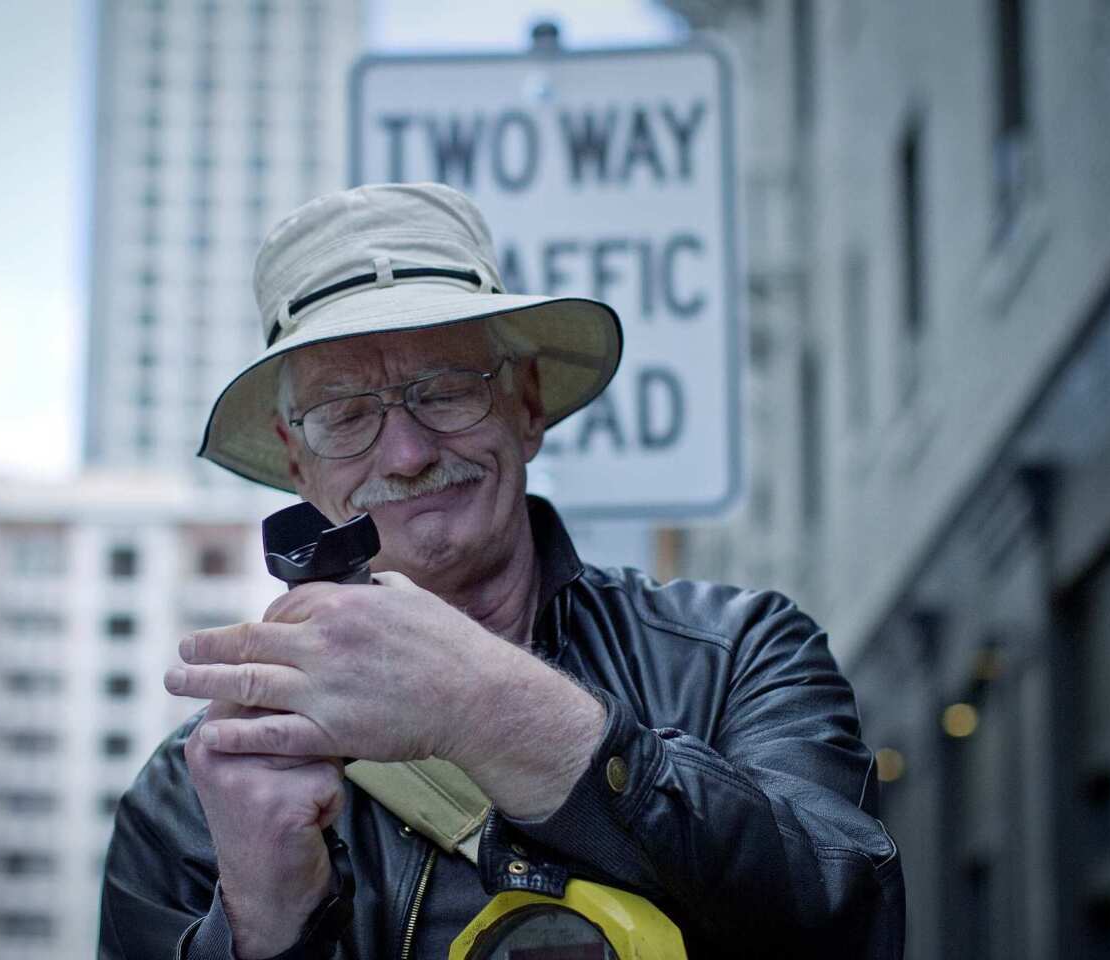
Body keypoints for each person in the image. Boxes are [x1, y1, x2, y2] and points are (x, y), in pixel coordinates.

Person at [98, 182, 904, 959]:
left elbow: (853, 917)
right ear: (293, 458)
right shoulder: (197, 791)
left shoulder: (740, 653)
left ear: (527, 403)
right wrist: (263, 926)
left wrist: (488, 706)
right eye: (347, 415)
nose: (408, 454)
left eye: (445, 392)